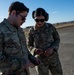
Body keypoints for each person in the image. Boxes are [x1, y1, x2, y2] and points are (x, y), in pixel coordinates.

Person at [0, 1, 40, 75]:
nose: (24, 21)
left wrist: (32, 58)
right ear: (13, 13)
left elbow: (24, 49)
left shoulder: (20, 30)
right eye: (23, 18)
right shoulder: (1, 30)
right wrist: (23, 64)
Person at [28, 8, 63, 75]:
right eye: (37, 20)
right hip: (40, 62)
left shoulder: (50, 27)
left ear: (46, 19)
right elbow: (29, 45)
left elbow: (57, 39)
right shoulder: (31, 30)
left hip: (54, 59)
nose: (39, 22)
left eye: (42, 20)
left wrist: (53, 48)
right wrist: (35, 50)